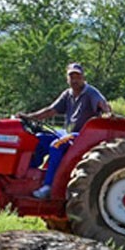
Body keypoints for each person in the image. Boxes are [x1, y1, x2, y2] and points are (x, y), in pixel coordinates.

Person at [16, 62, 112, 199]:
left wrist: (107, 111)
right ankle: (27, 177)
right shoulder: (67, 94)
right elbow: (51, 111)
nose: (75, 80)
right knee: (38, 139)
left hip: (82, 136)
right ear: (67, 79)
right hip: (67, 132)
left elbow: (101, 104)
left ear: (83, 78)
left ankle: (49, 186)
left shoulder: (91, 92)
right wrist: (29, 117)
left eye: (77, 77)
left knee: (57, 145)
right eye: (71, 77)